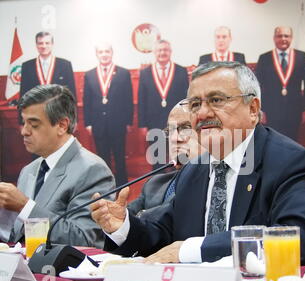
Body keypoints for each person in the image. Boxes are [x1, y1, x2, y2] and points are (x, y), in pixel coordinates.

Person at [91, 61, 305, 266]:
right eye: (194, 104)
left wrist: (192, 249)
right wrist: (122, 226)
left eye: (216, 100)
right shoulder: (194, 170)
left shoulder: (292, 162)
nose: (202, 113)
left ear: (253, 109)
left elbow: (298, 241)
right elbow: (163, 234)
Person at [0, 84, 115, 248]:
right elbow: (16, 236)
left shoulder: (93, 170)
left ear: (62, 125)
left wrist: (25, 206)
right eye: (23, 122)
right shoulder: (28, 171)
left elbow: (85, 240)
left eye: (33, 124)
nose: (24, 131)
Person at [99, 104, 205, 254]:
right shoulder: (154, 184)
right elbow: (123, 222)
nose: (175, 139)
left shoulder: (212, 185)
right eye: (170, 131)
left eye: (185, 128)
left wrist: (136, 220)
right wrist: (120, 224)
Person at [83, 42, 134, 186]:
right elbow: (87, 100)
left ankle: (123, 185)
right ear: (97, 54)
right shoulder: (90, 75)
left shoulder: (123, 73)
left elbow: (128, 98)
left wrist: (129, 121)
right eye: (101, 52)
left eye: (107, 51)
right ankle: (107, 184)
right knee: (103, 157)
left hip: (118, 123)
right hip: (98, 124)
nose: (104, 54)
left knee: (119, 157)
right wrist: (88, 123)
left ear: (112, 53)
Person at [255, 26, 305, 143]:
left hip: (295, 111)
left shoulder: (301, 56)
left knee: (292, 142)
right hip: (271, 111)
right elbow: (257, 86)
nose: (283, 39)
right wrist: (260, 110)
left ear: (291, 38)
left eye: (286, 36)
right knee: (272, 142)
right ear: (274, 38)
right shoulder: (264, 58)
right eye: (279, 36)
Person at [20, 31, 76, 99]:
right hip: (36, 109)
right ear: (36, 45)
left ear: (52, 44)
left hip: (59, 109)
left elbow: (71, 94)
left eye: (47, 43)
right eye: (40, 43)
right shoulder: (27, 66)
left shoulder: (65, 65)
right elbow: (24, 95)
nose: (44, 46)